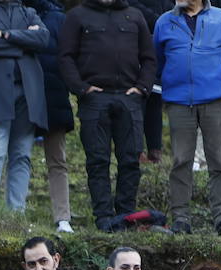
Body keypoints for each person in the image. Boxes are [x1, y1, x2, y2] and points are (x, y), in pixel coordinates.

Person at [58, 0, 154, 230]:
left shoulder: (135, 15)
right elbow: (65, 57)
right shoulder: (77, 16)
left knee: (131, 159)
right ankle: (103, 218)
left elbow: (149, 57)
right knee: (97, 161)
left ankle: (127, 216)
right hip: (94, 99)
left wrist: (142, 88)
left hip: (129, 98)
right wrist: (81, 88)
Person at [154, 0, 221, 234]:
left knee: (219, 160)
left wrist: (219, 81)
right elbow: (158, 61)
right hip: (178, 101)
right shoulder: (164, 21)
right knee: (180, 161)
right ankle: (181, 219)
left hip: (215, 100)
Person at [0, 0, 48, 213]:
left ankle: (16, 215)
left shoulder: (29, 12)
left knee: (22, 155)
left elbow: (43, 38)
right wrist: (24, 41)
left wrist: (6, 35)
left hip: (29, 95)